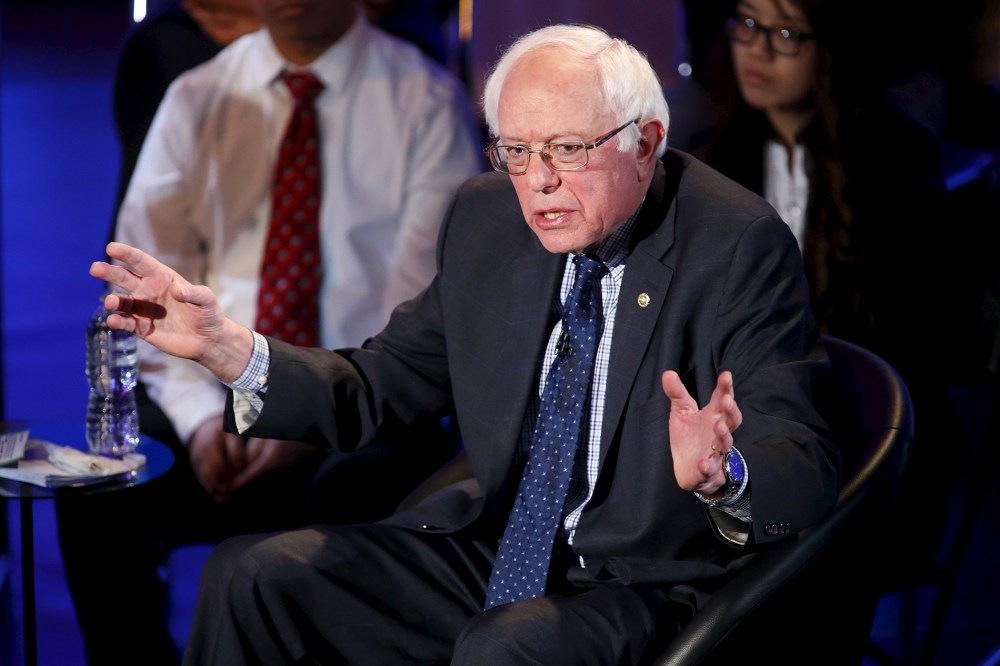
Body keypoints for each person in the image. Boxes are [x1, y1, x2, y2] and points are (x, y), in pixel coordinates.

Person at [90, 23, 840, 664]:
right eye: (515, 150)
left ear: (646, 143)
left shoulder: (736, 245)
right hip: (496, 545)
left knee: (505, 646)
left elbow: (803, 458)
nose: (538, 183)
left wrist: (725, 472)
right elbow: (381, 385)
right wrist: (231, 351)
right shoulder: (490, 220)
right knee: (250, 574)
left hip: (641, 581)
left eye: (567, 150)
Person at [58, 1, 483, 664]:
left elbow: (418, 320)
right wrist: (202, 421)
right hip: (209, 388)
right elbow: (146, 288)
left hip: (359, 398)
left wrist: (303, 419)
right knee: (100, 487)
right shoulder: (196, 94)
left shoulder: (425, 99)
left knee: (354, 492)